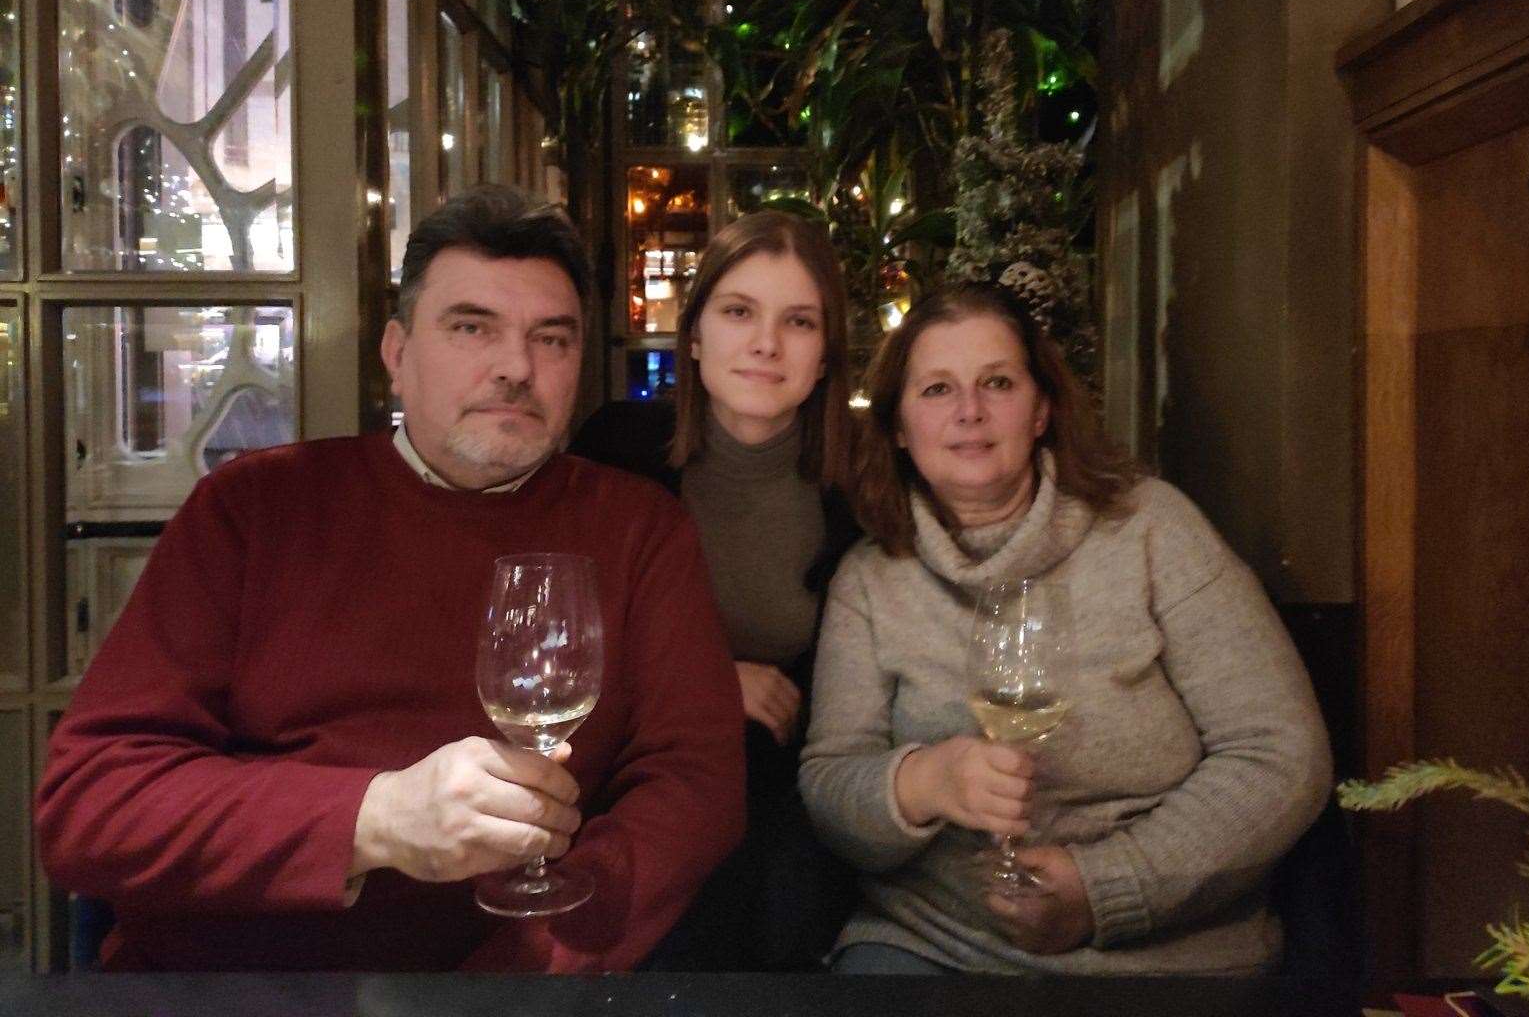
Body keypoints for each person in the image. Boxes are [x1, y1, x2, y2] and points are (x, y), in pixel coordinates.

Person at [34, 185, 746, 972]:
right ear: (397, 355)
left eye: (552, 339)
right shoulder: (255, 508)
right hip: (236, 980)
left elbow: (696, 786)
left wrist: (525, 967)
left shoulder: (637, 528)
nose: (516, 367)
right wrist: (375, 820)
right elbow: (89, 804)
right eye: (472, 327)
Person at [800, 282, 1332, 975]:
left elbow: (1282, 754)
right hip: (935, 950)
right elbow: (830, 787)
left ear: (1043, 407)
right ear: (898, 424)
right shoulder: (871, 578)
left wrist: (1107, 887)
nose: (969, 411)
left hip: (1167, 959)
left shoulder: (1152, 529)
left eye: (997, 382)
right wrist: (926, 781)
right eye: (936, 389)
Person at [569, 210, 857, 969]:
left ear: (826, 355)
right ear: (693, 336)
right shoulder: (615, 451)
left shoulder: (862, 487)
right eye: (739, 312)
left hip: (780, 794)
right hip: (624, 775)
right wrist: (705, 683)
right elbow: (553, 639)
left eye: (799, 321)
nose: (766, 343)